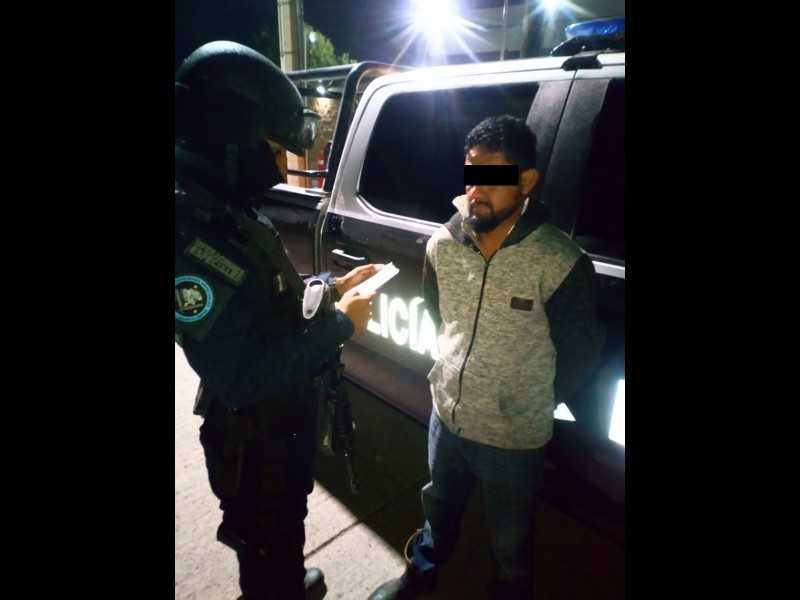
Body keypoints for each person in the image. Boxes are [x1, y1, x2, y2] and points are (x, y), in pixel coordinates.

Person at [175, 41, 382, 599]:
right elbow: (241, 375)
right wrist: (340, 326)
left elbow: (268, 300)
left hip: (277, 425)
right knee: (267, 539)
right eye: (270, 145)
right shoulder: (192, 235)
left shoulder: (224, 210)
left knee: (283, 529)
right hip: (252, 436)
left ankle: (285, 582)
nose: (278, 160)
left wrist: (332, 290)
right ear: (231, 137)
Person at [368, 115, 606, 600]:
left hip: (513, 438)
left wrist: (524, 399)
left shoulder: (559, 261)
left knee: (511, 541)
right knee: (437, 507)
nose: (476, 191)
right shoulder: (443, 244)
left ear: (526, 181)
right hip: (447, 417)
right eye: (471, 175)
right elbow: (440, 314)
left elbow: (582, 353)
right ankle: (421, 571)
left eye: (492, 178)